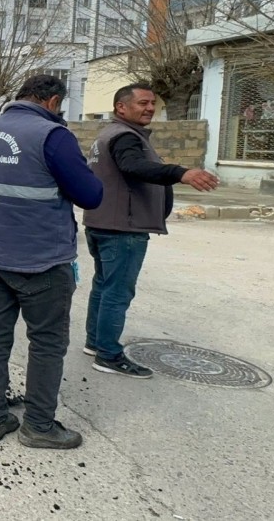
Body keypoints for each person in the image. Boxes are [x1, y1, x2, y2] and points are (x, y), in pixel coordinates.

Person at [0, 75, 104, 450]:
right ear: (53, 101)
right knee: (46, 342)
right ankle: (39, 426)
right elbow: (91, 196)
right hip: (41, 259)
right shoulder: (52, 136)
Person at [83, 83, 219, 378]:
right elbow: (135, 167)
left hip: (103, 222)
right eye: (142, 103)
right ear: (121, 107)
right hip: (122, 228)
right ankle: (108, 354)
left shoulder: (108, 134)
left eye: (152, 103)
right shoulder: (124, 137)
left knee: (104, 287)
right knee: (117, 292)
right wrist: (181, 173)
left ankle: (96, 343)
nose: (150, 108)